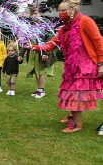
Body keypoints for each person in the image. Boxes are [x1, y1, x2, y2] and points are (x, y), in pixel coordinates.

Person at [31, 0, 103, 133]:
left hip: (85, 66)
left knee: (75, 94)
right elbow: (52, 44)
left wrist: (101, 64)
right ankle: (72, 116)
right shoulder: (65, 27)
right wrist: (34, 47)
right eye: (59, 10)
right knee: (70, 91)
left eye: (62, 10)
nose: (60, 13)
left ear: (73, 9)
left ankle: (77, 125)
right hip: (72, 66)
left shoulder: (85, 21)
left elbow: (99, 42)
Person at [19, 5, 57, 99]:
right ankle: (39, 89)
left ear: (40, 13)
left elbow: (49, 39)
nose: (35, 16)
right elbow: (25, 41)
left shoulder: (46, 23)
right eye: (32, 14)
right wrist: (21, 54)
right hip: (34, 52)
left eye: (36, 13)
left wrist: (45, 53)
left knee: (42, 71)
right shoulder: (29, 25)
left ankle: (41, 90)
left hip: (44, 51)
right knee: (37, 71)